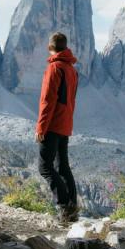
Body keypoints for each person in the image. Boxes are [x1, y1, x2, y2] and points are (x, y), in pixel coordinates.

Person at [35, 32, 79, 224]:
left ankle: (64, 207)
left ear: (50, 47)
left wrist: (41, 128)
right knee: (63, 167)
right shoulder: (71, 69)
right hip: (65, 123)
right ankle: (73, 209)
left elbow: (47, 100)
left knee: (45, 167)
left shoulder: (54, 68)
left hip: (52, 124)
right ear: (65, 47)